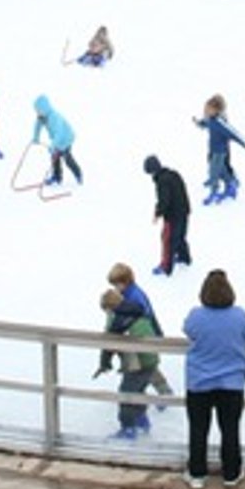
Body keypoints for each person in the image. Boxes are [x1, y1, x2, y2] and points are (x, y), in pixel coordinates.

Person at [184, 269, 245, 489]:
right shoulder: (240, 316)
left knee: (198, 429)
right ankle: (231, 473)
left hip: (199, 383)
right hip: (232, 383)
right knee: (230, 429)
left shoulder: (196, 315)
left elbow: (188, 331)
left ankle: (197, 473)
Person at [95, 287, 161, 439]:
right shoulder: (136, 309)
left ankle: (128, 428)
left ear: (109, 308)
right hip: (151, 359)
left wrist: (104, 364)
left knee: (126, 394)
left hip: (137, 363)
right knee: (138, 391)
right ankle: (141, 420)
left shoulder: (116, 319)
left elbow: (108, 344)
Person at [106, 263, 176, 405]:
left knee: (144, 368)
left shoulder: (134, 296)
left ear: (126, 281)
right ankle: (163, 392)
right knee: (148, 367)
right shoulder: (127, 294)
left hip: (145, 335)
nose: (115, 288)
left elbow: (144, 315)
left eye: (117, 284)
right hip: (142, 335)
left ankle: (146, 398)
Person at [194, 94, 245, 205]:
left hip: (220, 152)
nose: (205, 111)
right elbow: (205, 123)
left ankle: (214, 191)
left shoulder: (220, 123)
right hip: (213, 149)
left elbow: (235, 134)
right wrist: (198, 123)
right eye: (205, 109)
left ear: (216, 110)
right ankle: (231, 184)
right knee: (220, 169)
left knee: (214, 171)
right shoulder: (210, 119)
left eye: (208, 109)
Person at [144, 156, 191, 276]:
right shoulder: (173, 174)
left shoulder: (162, 181)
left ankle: (166, 267)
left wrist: (158, 213)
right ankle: (184, 257)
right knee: (180, 235)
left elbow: (164, 200)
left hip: (173, 215)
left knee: (168, 240)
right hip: (184, 210)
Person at [32, 95, 82, 186]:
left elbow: (59, 133)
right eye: (36, 111)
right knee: (55, 157)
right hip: (57, 139)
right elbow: (37, 126)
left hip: (66, 138)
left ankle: (78, 174)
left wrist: (54, 146)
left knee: (67, 158)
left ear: (44, 108)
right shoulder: (42, 117)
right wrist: (35, 137)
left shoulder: (54, 117)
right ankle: (57, 177)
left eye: (38, 110)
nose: (37, 113)